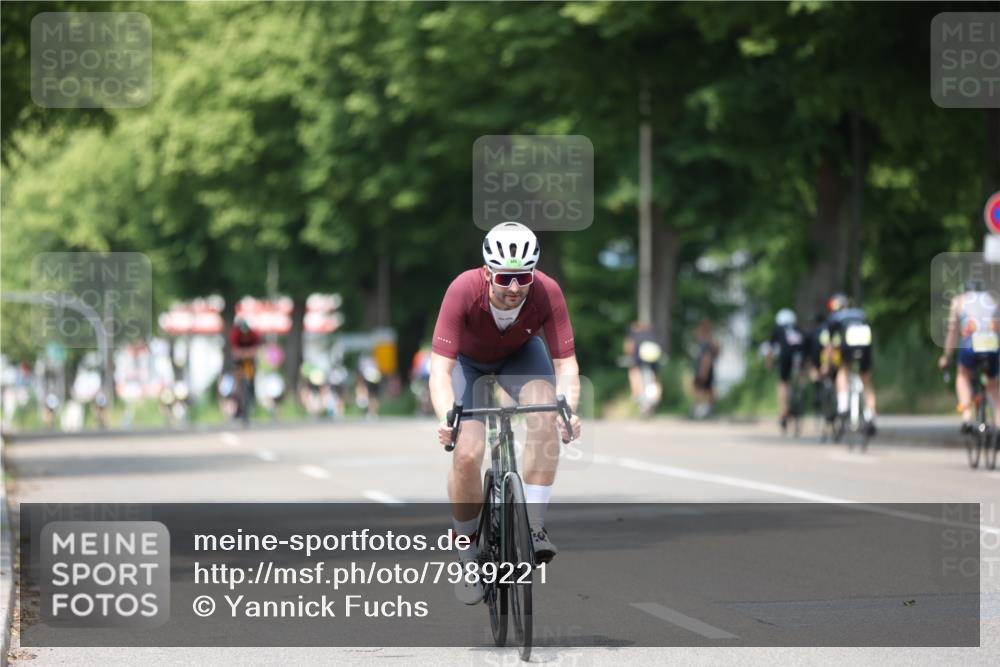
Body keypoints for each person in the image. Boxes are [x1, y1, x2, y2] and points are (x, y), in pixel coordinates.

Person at [429, 221, 582, 604]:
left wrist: (569, 410)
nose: (515, 287)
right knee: (467, 452)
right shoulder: (463, 289)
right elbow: (439, 370)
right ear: (487, 272)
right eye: (505, 277)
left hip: (520, 355)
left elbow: (567, 366)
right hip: (468, 363)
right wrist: (448, 417)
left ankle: (533, 527)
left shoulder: (546, 292)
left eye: (523, 277)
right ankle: (466, 551)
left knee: (546, 413)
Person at [938, 279, 1000, 433]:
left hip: (972, 343)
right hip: (992, 344)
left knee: (963, 376)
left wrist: (946, 356)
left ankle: (966, 417)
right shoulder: (992, 300)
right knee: (992, 387)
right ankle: (999, 426)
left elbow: (952, 332)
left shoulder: (959, 301)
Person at [823, 292, 877, 435]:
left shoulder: (834, 318)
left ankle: (843, 405)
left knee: (843, 370)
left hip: (849, 341)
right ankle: (871, 415)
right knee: (866, 380)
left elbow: (830, 345)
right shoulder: (860, 313)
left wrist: (827, 365)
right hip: (865, 342)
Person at [767, 309, 805, 433]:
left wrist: (769, 363)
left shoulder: (778, 329)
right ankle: (801, 392)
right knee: (799, 376)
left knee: (783, 382)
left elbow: (770, 349)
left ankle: (784, 411)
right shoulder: (797, 328)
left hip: (785, 356)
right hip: (799, 354)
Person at [623, 321, 663, 414]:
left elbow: (630, 346)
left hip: (642, 354)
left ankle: (637, 394)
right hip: (654, 354)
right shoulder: (651, 331)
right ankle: (657, 395)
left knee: (634, 371)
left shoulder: (633, 332)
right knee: (654, 376)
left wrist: (630, 356)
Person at [228, 317, 261, 418]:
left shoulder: (254, 334)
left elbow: (256, 349)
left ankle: (251, 395)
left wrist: (247, 353)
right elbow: (235, 351)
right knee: (237, 376)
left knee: (251, 375)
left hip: (249, 360)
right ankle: (237, 393)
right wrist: (245, 353)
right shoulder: (235, 334)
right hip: (239, 359)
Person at [692, 319, 719, 419]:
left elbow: (706, 358)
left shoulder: (705, 343)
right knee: (709, 389)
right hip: (708, 369)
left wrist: (703, 372)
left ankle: (700, 409)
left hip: (703, 370)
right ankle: (709, 409)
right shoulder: (710, 342)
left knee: (699, 389)